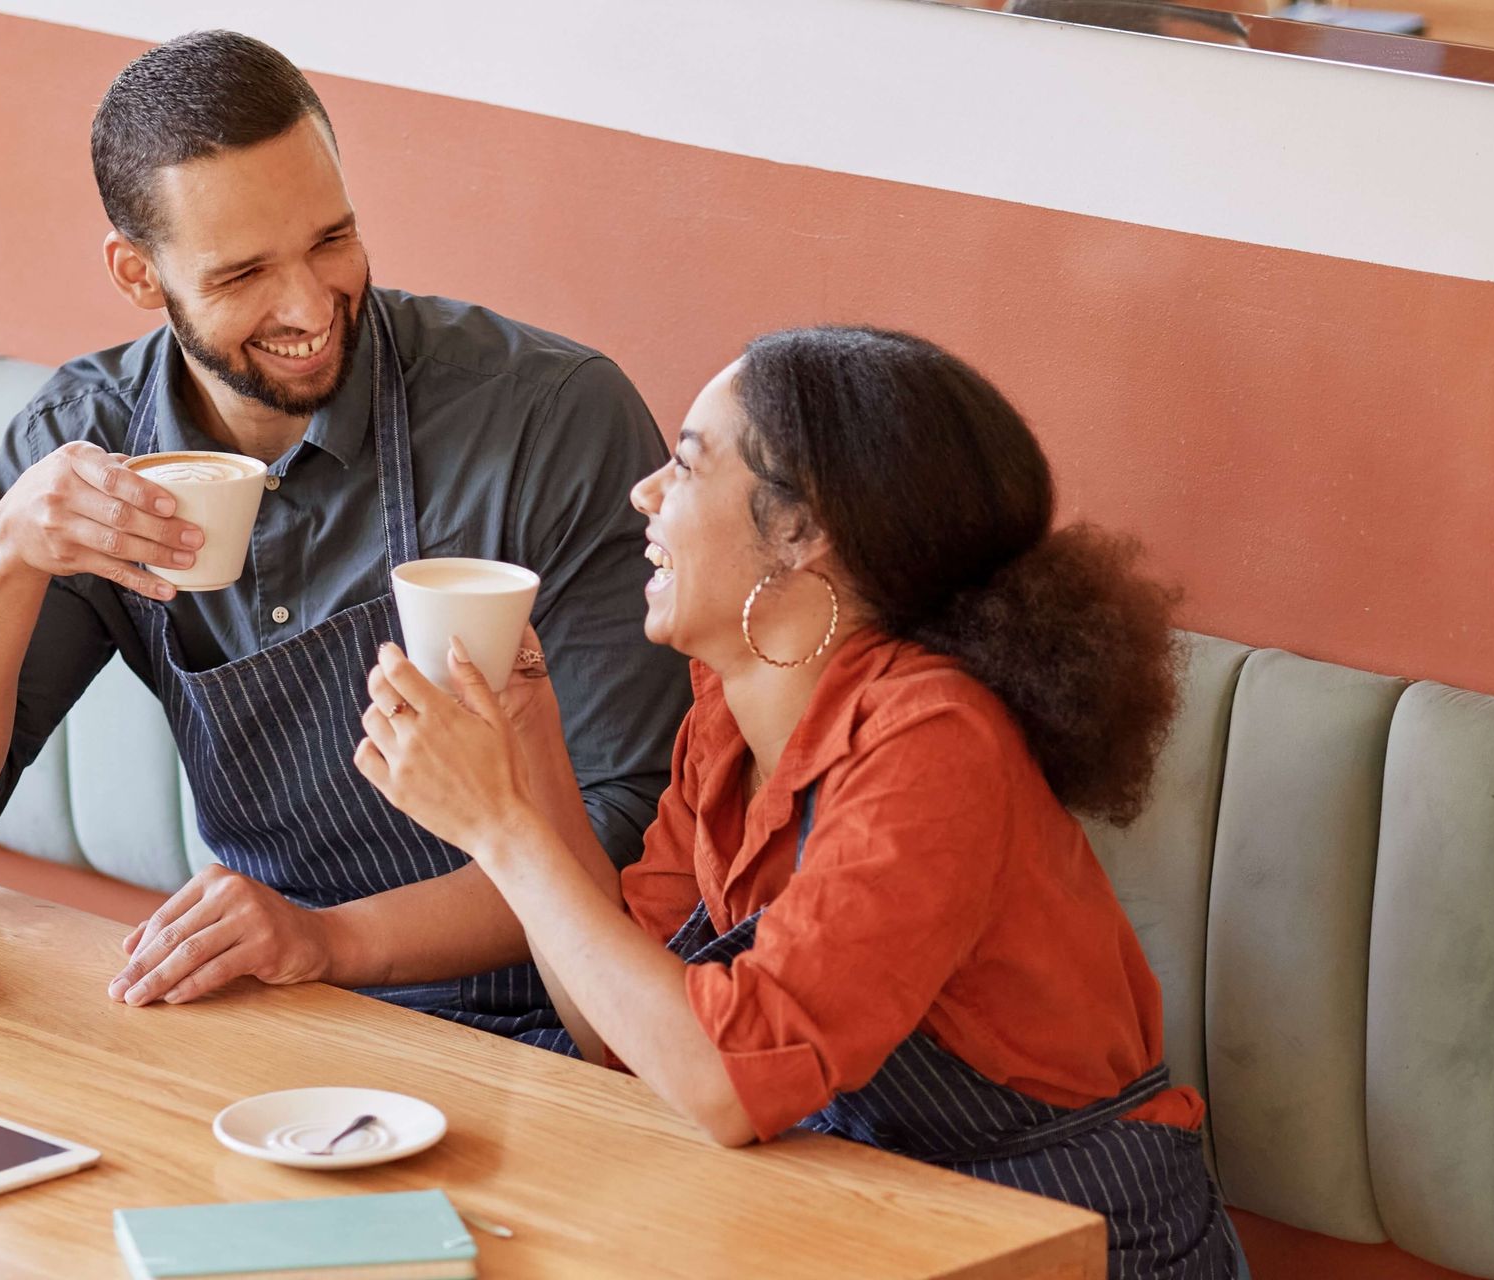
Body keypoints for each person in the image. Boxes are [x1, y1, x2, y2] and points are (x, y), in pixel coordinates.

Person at [0, 31, 689, 1046]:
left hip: (557, 1035)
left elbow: (622, 844)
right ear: (136, 273)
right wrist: (9, 552)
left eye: (331, 240)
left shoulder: (549, 418)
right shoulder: (94, 440)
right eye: (245, 271)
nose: (309, 305)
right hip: (280, 1021)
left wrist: (324, 938)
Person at [357, 326, 1243, 1276]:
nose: (644, 495)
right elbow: (623, 1039)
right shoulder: (725, 717)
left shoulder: (935, 743)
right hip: (857, 1212)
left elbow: (726, 1083)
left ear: (803, 531)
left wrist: (497, 824)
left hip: (1058, 1240)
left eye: (686, 468)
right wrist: (526, 744)